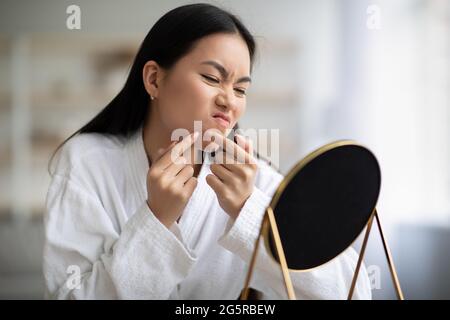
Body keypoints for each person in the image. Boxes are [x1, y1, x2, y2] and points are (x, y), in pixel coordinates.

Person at [43, 3, 371, 299]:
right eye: (212, 78)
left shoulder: (252, 182)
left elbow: (353, 291)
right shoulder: (86, 162)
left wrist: (251, 212)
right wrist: (157, 218)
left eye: (240, 88)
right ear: (154, 79)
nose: (229, 100)